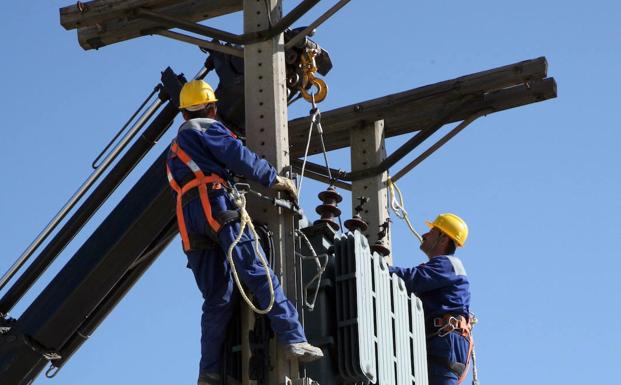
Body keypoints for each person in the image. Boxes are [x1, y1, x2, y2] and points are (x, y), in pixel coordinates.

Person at [166, 80, 323, 385]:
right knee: (257, 269)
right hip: (215, 202)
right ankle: (293, 337)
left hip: (188, 218)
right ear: (212, 108)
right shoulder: (206, 128)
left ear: (184, 112)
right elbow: (236, 153)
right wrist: (273, 179)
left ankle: (209, 372)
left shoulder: (174, 149)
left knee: (217, 297)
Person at [389, 213, 473, 385]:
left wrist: (377, 267)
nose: (425, 235)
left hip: (446, 339)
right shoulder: (442, 267)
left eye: (432, 231)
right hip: (440, 338)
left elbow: (412, 279)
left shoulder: (449, 264)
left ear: (443, 239)